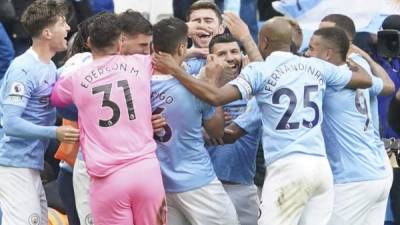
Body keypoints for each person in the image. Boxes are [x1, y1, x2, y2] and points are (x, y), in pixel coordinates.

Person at [153, 17, 372, 225]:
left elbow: (216, 97)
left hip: (287, 167)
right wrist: (354, 57)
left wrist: (175, 69)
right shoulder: (317, 66)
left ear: (264, 40)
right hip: (320, 167)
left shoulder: (260, 70)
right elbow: (366, 80)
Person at [51, 13, 166, 225]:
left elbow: (56, 99)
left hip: (107, 178)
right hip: (146, 171)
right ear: (121, 41)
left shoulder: (76, 75)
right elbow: (167, 62)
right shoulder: (141, 63)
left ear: (89, 42)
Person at [151, 17, 239, 225]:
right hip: (197, 182)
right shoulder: (194, 88)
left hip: (159, 183)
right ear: (182, 48)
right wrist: (213, 81)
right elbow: (217, 131)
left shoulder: (138, 84)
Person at [0, 1, 79, 225]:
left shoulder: (50, 67)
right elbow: (11, 124)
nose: (68, 29)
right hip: (14, 165)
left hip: (32, 163)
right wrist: (55, 132)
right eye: (62, 24)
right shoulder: (22, 69)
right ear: (47, 32)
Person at [306, 26, 393, 225]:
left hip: (353, 178)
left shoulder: (329, 79)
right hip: (379, 172)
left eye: (311, 49)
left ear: (328, 54)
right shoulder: (357, 69)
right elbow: (388, 86)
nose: (307, 54)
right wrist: (367, 59)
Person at [205, 33, 262, 225]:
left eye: (234, 51)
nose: (230, 57)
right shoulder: (198, 91)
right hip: (206, 188)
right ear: (210, 59)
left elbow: (225, 135)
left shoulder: (255, 93)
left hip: (243, 188)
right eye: (222, 53)